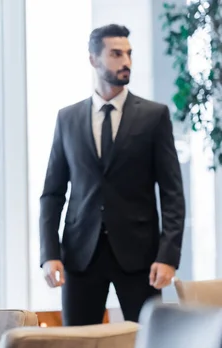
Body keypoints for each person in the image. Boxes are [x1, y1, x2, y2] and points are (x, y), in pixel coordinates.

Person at [40, 24, 185, 325]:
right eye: (116, 54)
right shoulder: (67, 118)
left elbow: (172, 194)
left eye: (129, 54)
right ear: (94, 59)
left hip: (141, 257)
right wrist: (49, 253)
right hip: (80, 255)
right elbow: (53, 193)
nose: (126, 61)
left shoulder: (154, 116)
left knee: (147, 346)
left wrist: (168, 255)